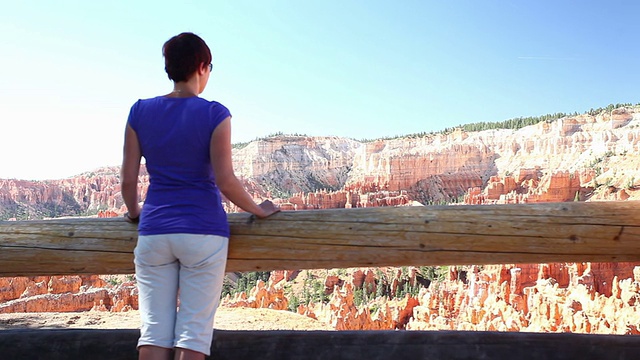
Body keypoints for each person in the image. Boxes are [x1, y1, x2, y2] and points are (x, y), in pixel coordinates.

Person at [120, 32, 279, 360]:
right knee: (193, 334)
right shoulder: (215, 114)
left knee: (153, 332)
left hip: (154, 231)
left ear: (169, 68)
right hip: (203, 231)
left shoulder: (139, 111)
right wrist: (259, 211)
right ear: (203, 67)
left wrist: (136, 211)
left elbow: (128, 179)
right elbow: (226, 181)